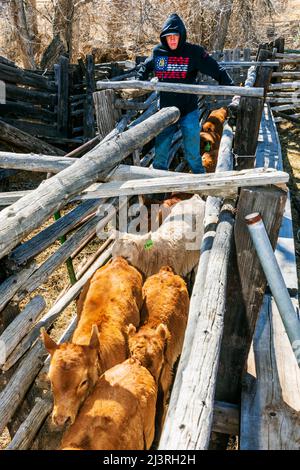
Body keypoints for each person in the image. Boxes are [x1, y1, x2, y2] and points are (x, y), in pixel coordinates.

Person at [137, 13, 234, 174]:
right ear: (164, 38)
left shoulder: (193, 52)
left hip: (188, 110)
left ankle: (199, 183)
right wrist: (139, 82)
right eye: (169, 37)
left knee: (193, 152)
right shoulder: (158, 52)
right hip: (165, 112)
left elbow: (215, 69)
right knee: (160, 152)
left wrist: (231, 87)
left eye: (176, 36)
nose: (173, 40)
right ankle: (158, 189)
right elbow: (144, 67)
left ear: (181, 36)